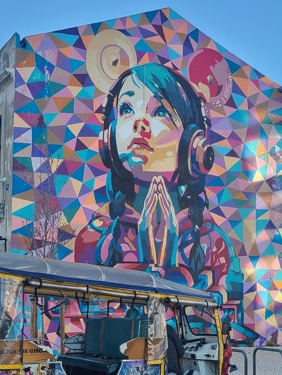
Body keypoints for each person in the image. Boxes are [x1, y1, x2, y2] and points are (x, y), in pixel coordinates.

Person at [75, 62, 231, 297]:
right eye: (127, 109)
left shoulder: (210, 240)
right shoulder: (96, 235)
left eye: (160, 112)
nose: (139, 123)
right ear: (109, 139)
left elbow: (220, 304)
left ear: (193, 145)